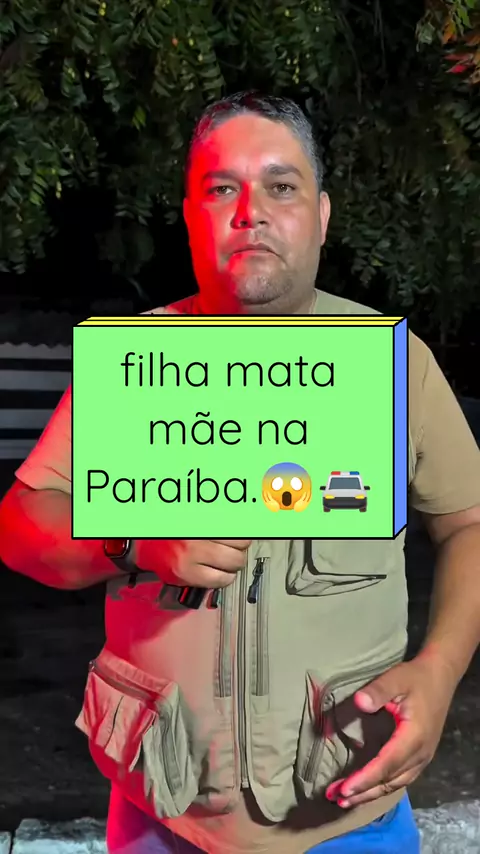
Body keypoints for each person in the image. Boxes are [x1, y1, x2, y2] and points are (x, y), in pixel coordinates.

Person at [1, 90, 480, 854]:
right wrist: (133, 542)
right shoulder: (137, 365)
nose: (251, 212)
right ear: (191, 216)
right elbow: (22, 523)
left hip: (350, 813)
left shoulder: (393, 365)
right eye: (222, 188)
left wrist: (441, 670)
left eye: (281, 186)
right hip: (164, 815)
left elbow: (469, 523)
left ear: (321, 215)